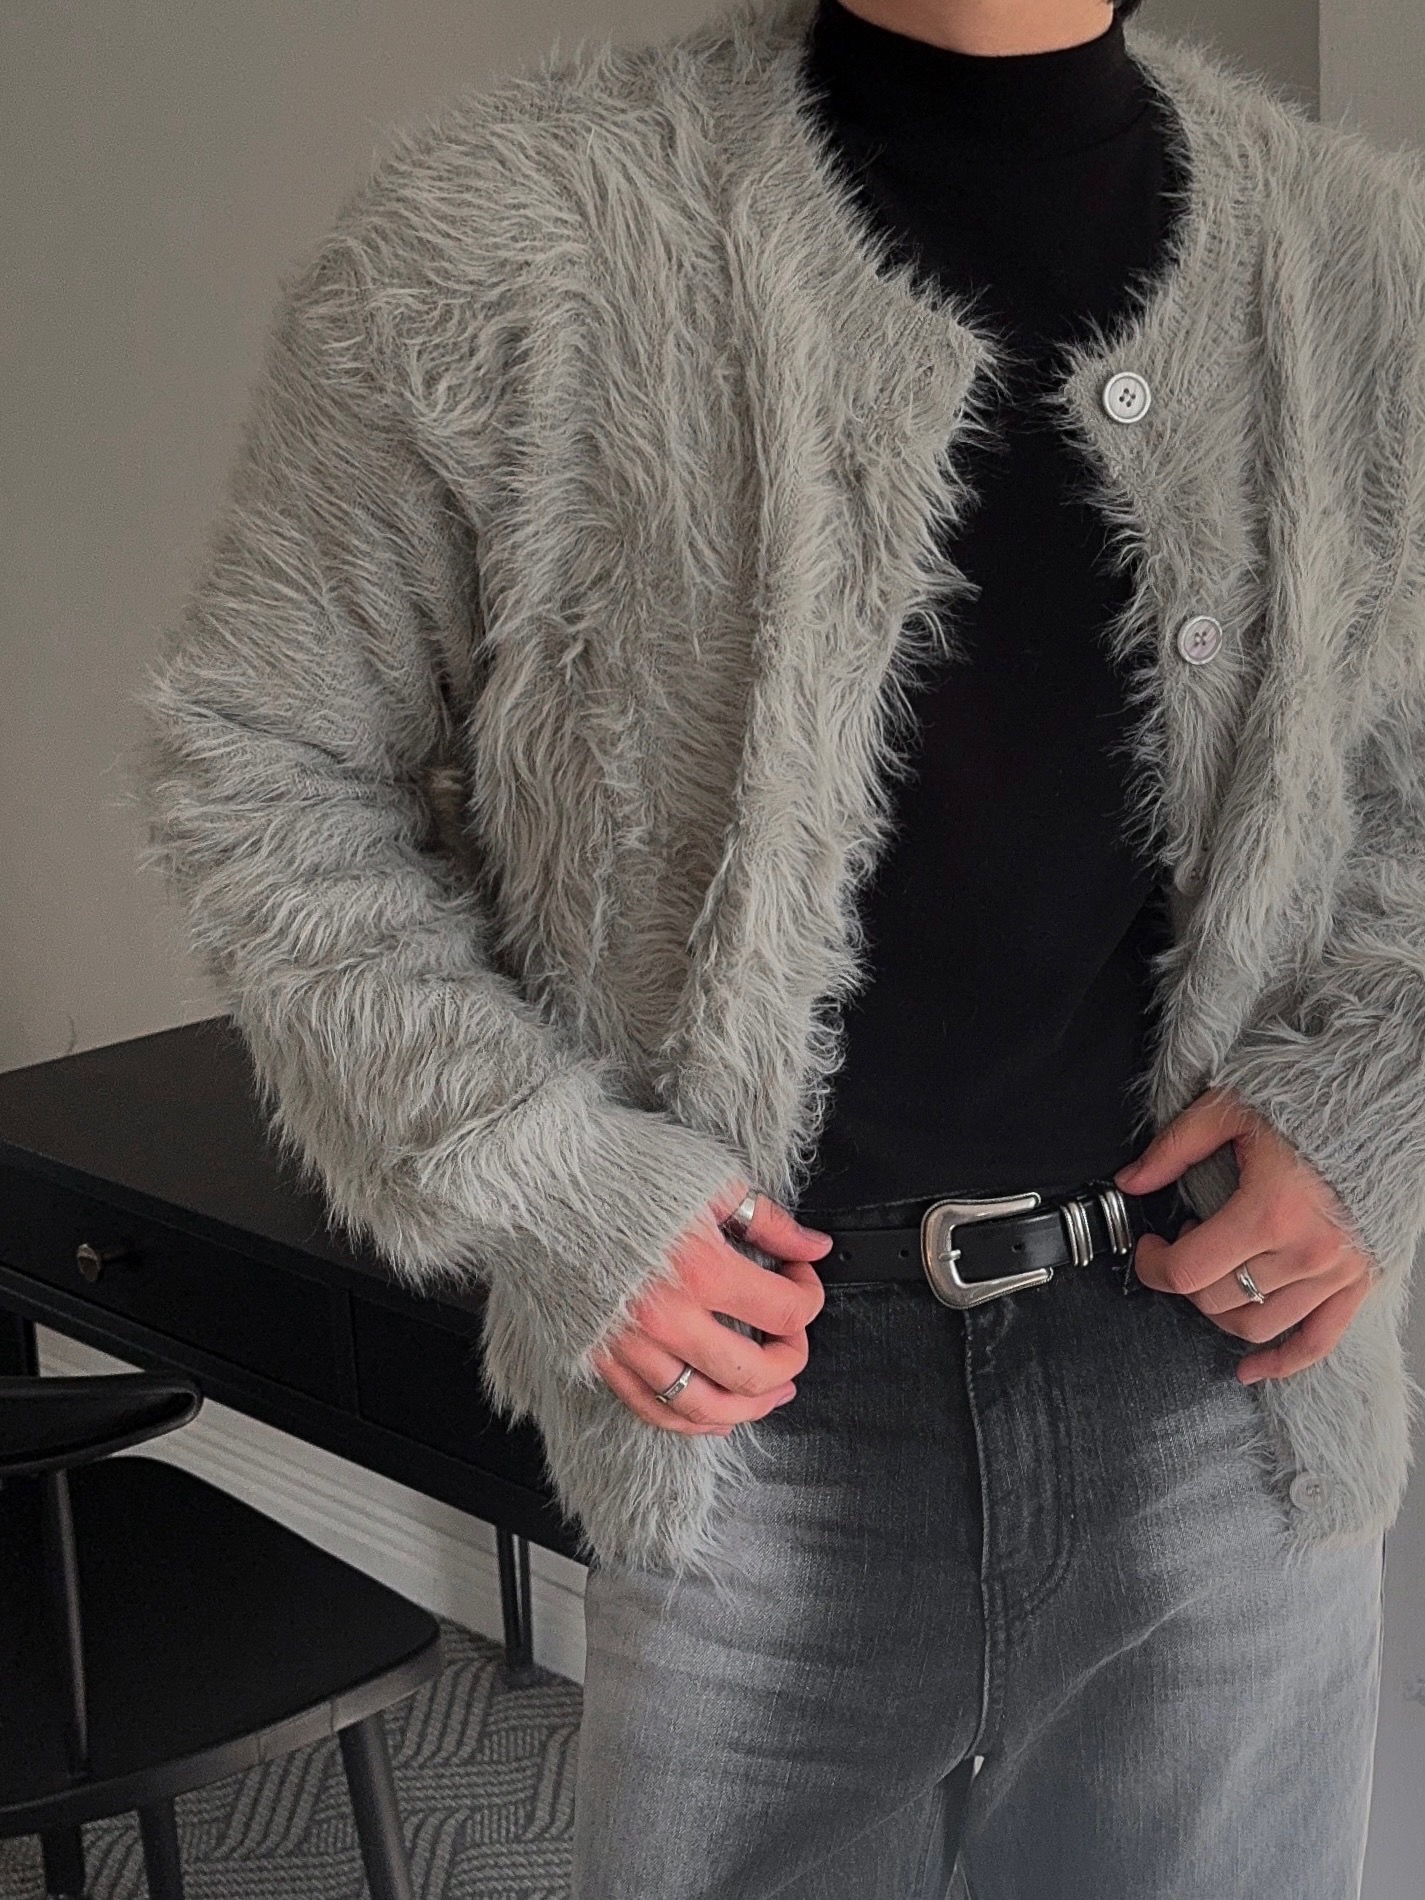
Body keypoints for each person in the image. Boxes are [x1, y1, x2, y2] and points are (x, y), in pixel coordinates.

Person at [130, 1, 1425, 1894]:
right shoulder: (499, 236)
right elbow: (260, 765)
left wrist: (1379, 1095)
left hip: (1223, 1415)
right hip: (752, 1420)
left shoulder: (1369, 270)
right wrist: (541, 1175)